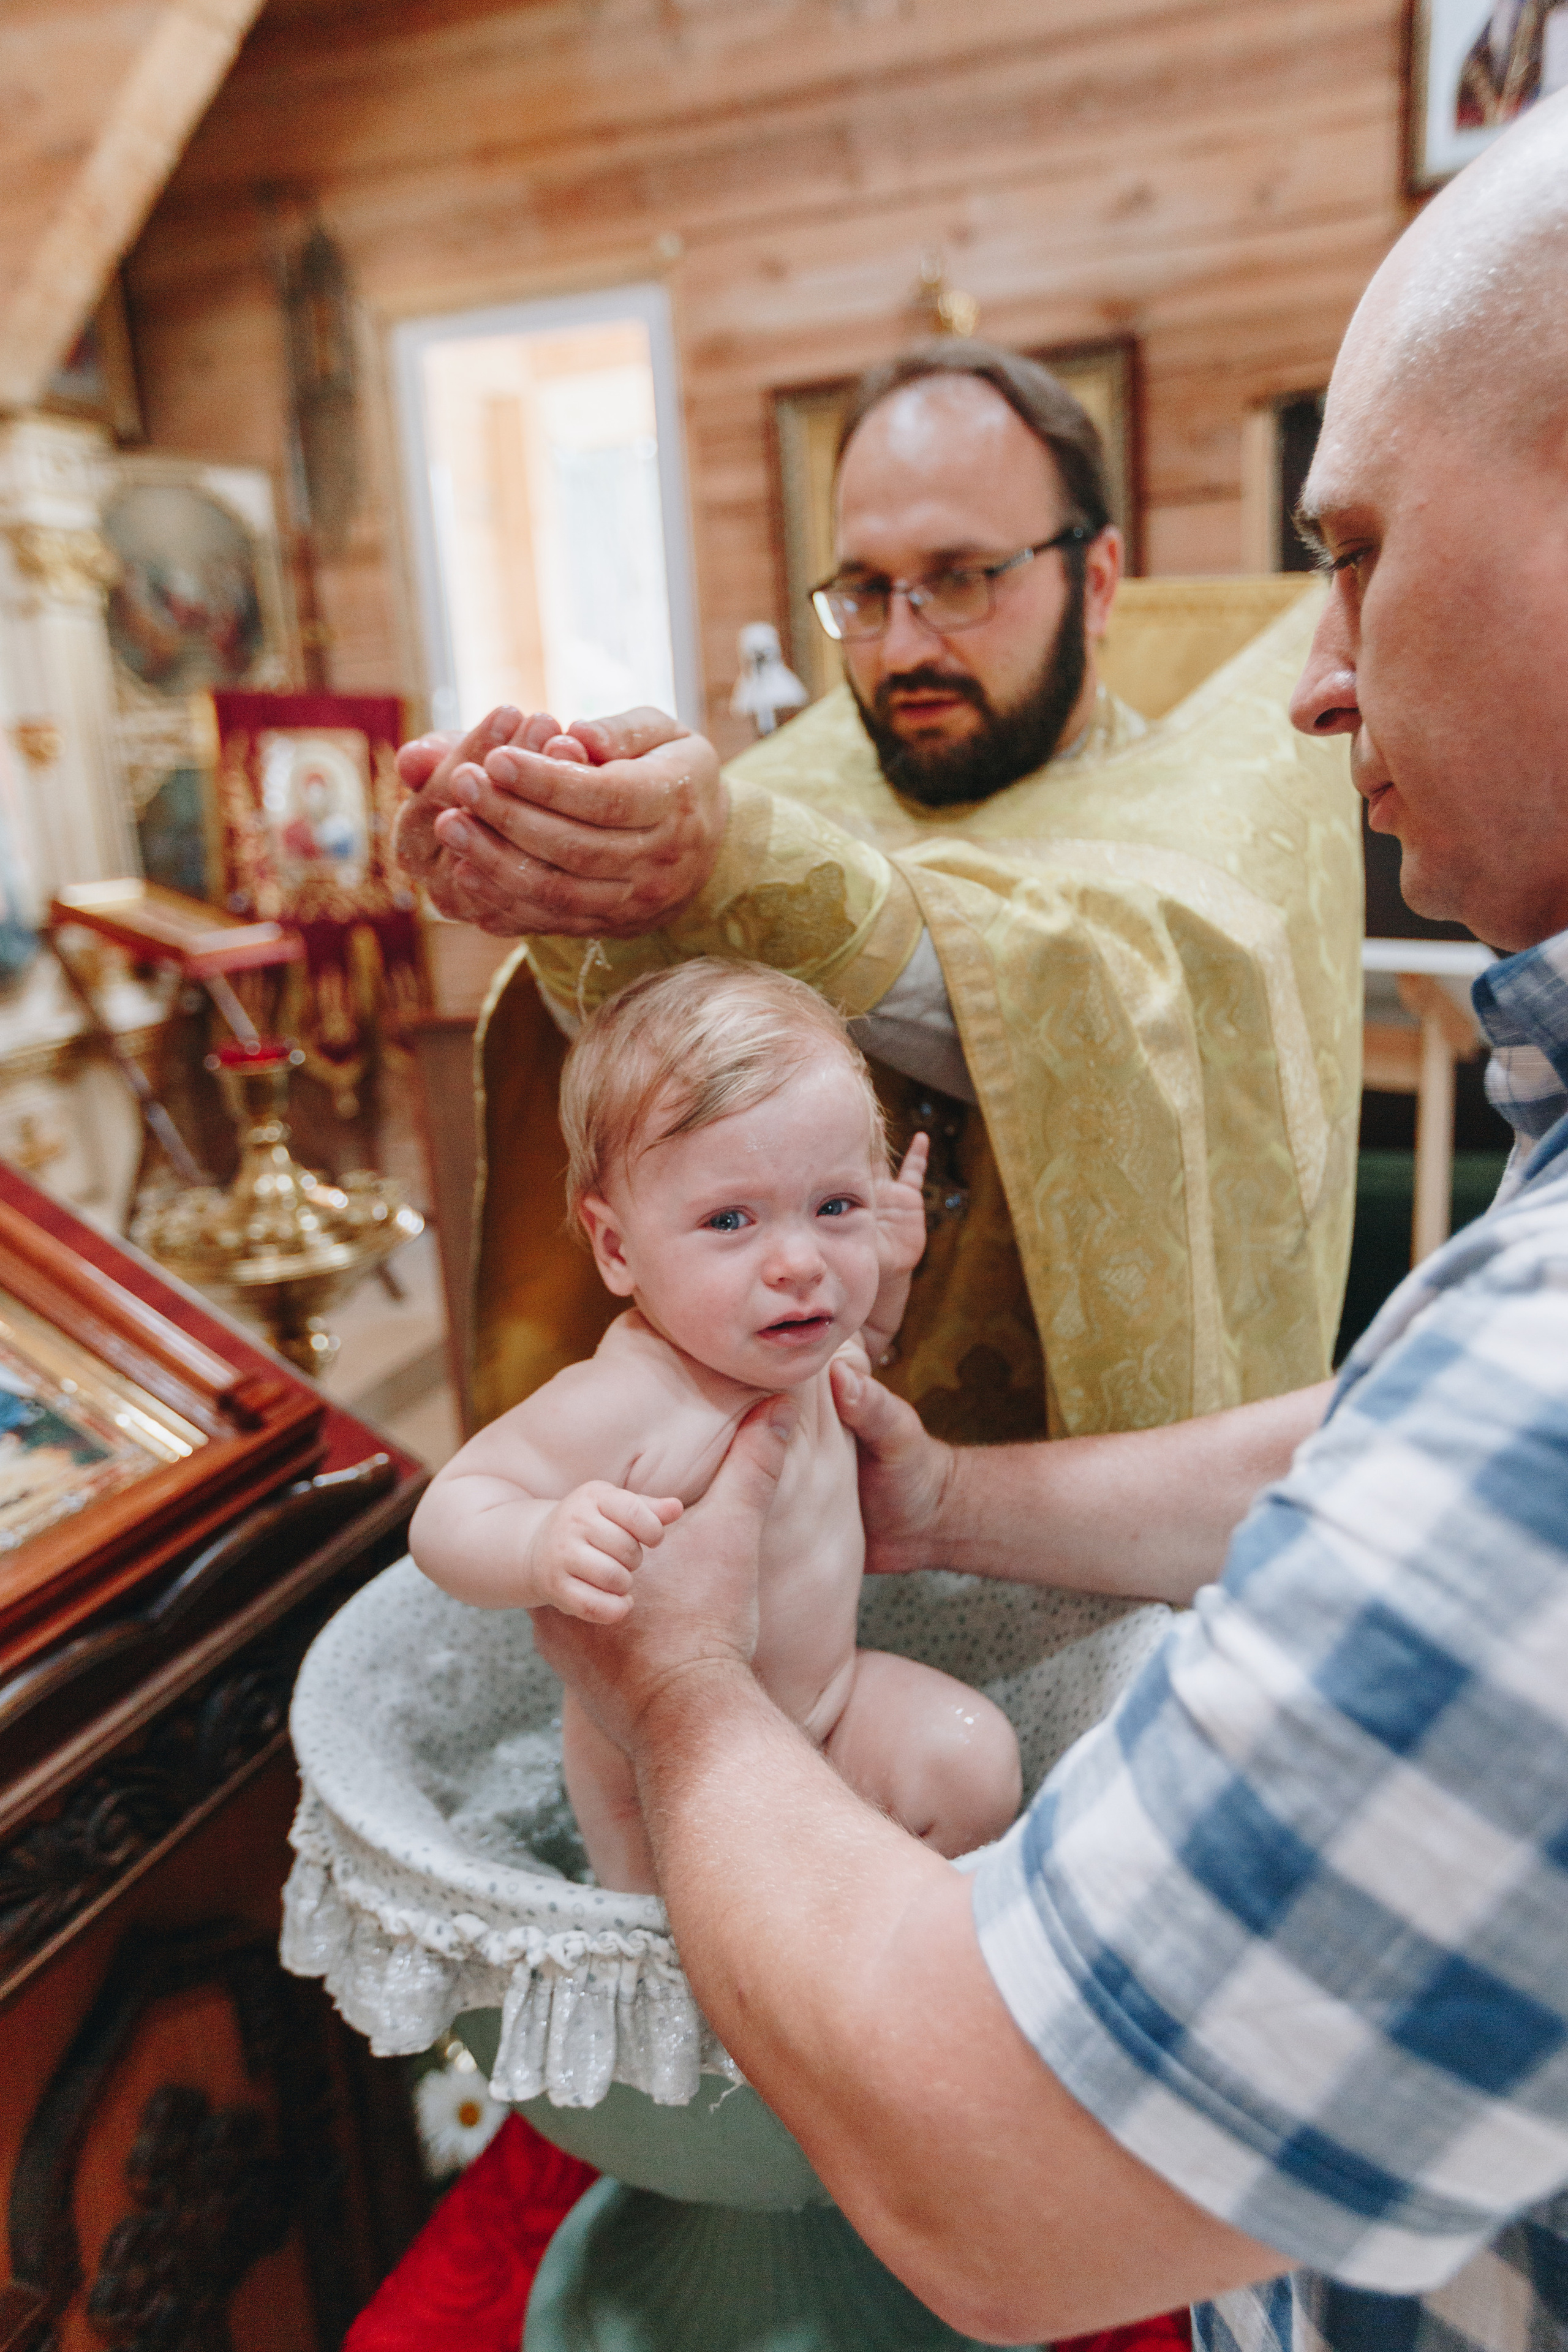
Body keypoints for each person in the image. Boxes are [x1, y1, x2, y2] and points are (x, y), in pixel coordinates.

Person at [524, 91, 1568, 2352]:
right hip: (883, 1552)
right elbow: (1384, 1446)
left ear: (1093, 578)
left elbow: (993, 2165)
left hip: (1075, 2004)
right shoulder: (789, 777)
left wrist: (682, 1676)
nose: (1328, 658)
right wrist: (942, 1495)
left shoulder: (1231, 768)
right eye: (864, 589)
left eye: (1369, 549)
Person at [407, 959, 1018, 1891]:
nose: (800, 1263)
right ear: (617, 1247)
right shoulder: (634, 1397)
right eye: (732, 1220)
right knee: (687, 1934)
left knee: (973, 1765)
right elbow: (449, 1511)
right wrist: (542, 1541)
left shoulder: (799, 1345)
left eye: (836, 1206)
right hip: (665, 1769)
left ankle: (868, 1955)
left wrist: (886, 1279)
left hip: (826, 1709)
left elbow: (871, 1346)